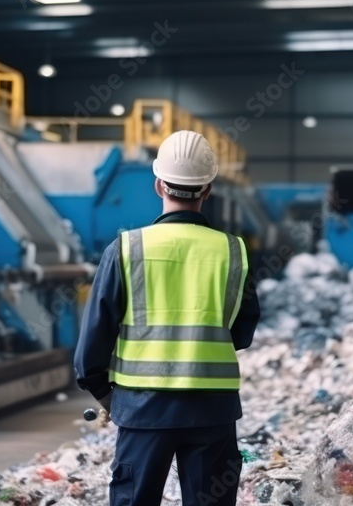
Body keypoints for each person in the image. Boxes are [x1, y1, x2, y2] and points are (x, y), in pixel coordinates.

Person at [74, 130, 261, 506]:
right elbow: (241, 333)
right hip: (213, 411)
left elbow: (91, 346)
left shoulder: (126, 249)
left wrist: (108, 397)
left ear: (159, 184)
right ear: (208, 189)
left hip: (143, 411)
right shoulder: (233, 252)